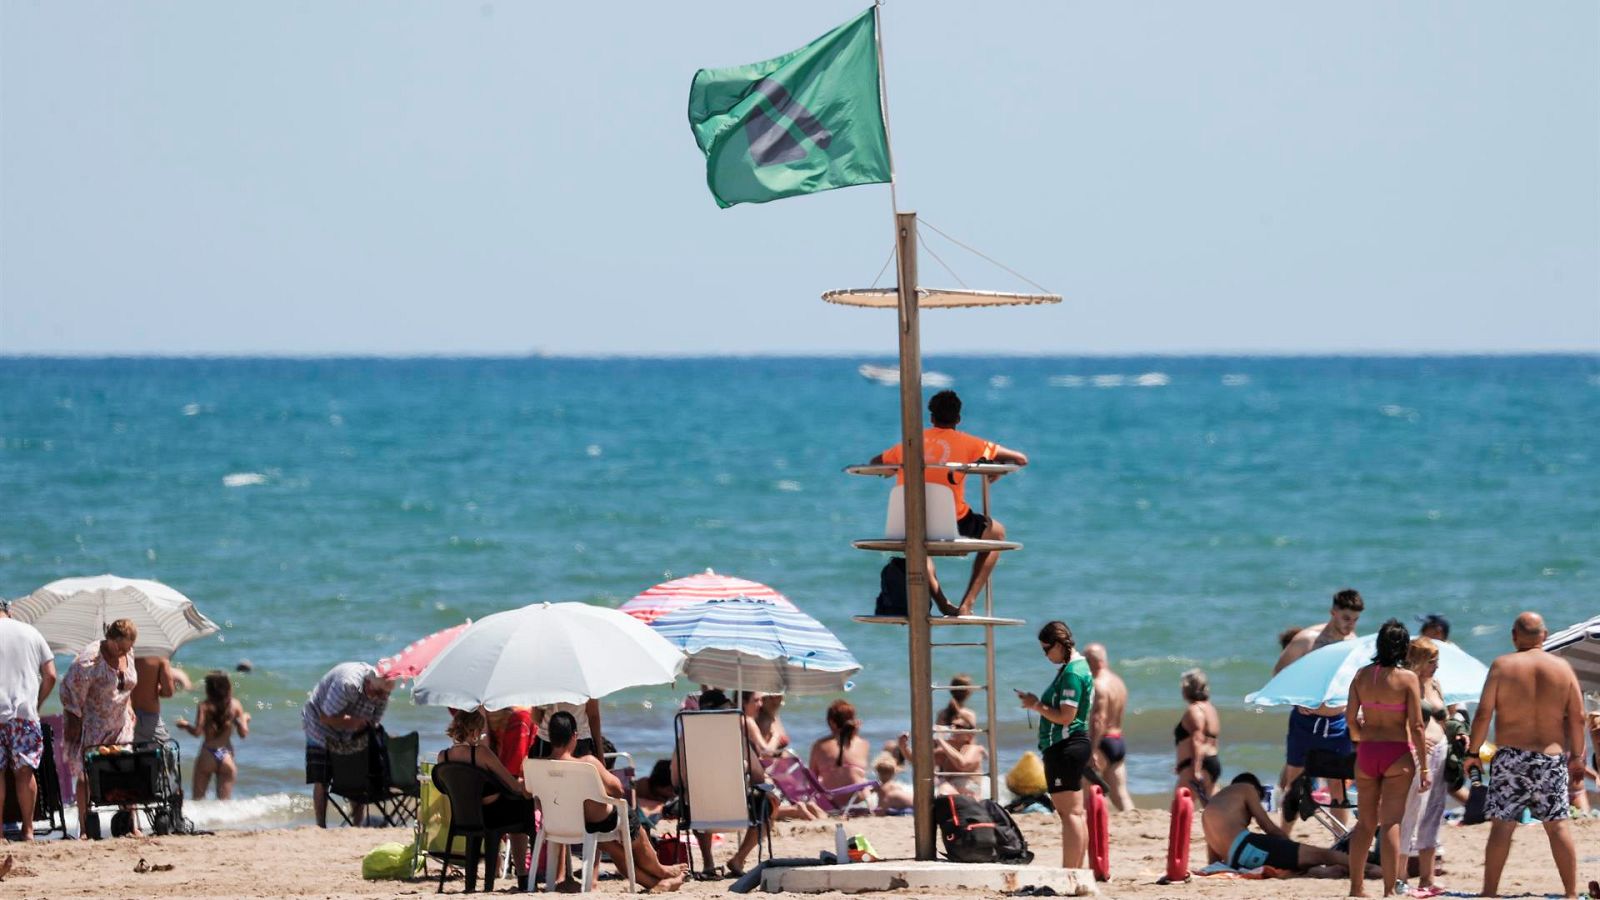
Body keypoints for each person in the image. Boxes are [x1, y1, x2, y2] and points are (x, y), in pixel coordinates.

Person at [868, 389, 1029, 616]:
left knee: (919, 547)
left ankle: (943, 604)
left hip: (909, 522)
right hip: (952, 522)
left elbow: (875, 462)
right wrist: (996, 467)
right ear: (958, 418)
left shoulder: (910, 443)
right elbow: (1020, 459)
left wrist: (895, 468)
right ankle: (967, 604)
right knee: (998, 534)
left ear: (931, 417)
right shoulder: (969, 442)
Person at [1466, 612, 1585, 900]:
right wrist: (1577, 758)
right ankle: (1571, 893)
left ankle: (1489, 892)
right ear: (1544, 636)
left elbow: (1483, 714)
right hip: (1550, 758)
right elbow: (1578, 717)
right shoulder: (1562, 668)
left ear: (1514, 636)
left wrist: (1473, 752)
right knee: (1558, 826)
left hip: (1511, 757)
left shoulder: (1502, 666)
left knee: (1502, 826)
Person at [543, 711, 686, 891]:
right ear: (574, 736)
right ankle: (660, 871)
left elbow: (531, 795)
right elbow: (617, 790)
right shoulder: (587, 763)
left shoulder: (538, 765)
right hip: (598, 822)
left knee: (613, 847)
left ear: (550, 737)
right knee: (635, 829)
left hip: (562, 824)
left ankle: (656, 883)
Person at [1344, 618, 1429, 898]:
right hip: (1396, 753)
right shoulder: (1408, 678)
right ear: (1404, 648)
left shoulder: (1361, 676)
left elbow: (1350, 720)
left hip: (1367, 753)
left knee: (1365, 824)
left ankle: (1356, 888)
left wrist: (1361, 737)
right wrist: (1425, 767)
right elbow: (1417, 726)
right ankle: (1389, 890)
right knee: (1391, 822)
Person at [1274, 588, 1364, 825]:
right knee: (1294, 783)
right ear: (1333, 613)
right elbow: (1279, 673)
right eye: (1346, 618)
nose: (1350, 625)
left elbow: (1356, 682)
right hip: (1306, 721)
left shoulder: (1353, 643)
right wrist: (1296, 699)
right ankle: (1284, 836)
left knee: (1338, 786)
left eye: (1355, 620)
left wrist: (1359, 710)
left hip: (1337, 722)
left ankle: (1340, 837)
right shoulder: (1307, 640)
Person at [1016, 620, 1094, 869]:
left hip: (1065, 745)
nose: (1046, 655)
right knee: (1075, 813)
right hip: (1071, 744)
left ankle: (1070, 871)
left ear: (1059, 645)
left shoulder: (1072, 672)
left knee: (1069, 814)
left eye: (1047, 649)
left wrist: (1036, 705)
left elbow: (1065, 717)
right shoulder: (1077, 667)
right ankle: (1076, 872)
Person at [672, 689, 773, 878]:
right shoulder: (735, 737)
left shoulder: (686, 739)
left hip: (698, 814)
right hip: (739, 811)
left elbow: (675, 779)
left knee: (693, 798)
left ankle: (708, 862)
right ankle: (739, 859)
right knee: (771, 802)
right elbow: (759, 776)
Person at [437, 707, 538, 886]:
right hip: (491, 817)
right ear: (475, 731)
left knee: (514, 805)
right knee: (523, 806)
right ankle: (523, 874)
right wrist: (527, 787)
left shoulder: (443, 756)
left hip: (463, 816)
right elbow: (512, 785)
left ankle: (472, 881)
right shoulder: (481, 753)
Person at [59, 618, 139, 837]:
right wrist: (74, 720)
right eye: (120, 647)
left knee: (126, 768)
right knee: (85, 775)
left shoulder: (128, 653)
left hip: (121, 722)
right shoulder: (90, 659)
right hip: (94, 724)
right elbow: (68, 690)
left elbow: (127, 685)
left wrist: (130, 707)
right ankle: (85, 828)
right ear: (110, 638)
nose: (123, 652)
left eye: (127, 648)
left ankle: (131, 824)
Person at [1202, 773, 1364, 873]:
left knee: (1295, 863)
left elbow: (1213, 861)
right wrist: (1290, 845)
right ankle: (1368, 868)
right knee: (1322, 854)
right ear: (1256, 790)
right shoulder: (1247, 788)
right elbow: (1268, 826)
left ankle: (1331, 872)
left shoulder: (1210, 809)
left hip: (1236, 860)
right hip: (1247, 846)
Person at [301, 661, 395, 828]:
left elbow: (373, 723)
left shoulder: (381, 693)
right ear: (368, 683)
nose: (381, 698)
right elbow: (325, 717)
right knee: (322, 779)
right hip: (319, 725)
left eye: (385, 695)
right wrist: (355, 722)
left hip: (349, 729)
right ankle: (321, 826)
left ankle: (357, 825)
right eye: (378, 693)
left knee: (357, 777)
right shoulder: (347, 684)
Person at [0, 599, 58, 841]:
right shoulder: (31, 632)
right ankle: (28, 830)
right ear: (9, 611)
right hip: (24, 714)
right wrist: (37, 704)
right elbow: (51, 675)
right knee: (24, 773)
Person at [1397, 637, 1449, 897]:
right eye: (1431, 661)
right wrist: (1410, 740)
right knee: (1411, 813)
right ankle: (1401, 876)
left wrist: (1458, 732)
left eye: (1436, 661)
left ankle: (1427, 877)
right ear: (1418, 661)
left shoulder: (1435, 683)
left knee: (1434, 811)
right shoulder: (1406, 683)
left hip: (1440, 749)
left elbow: (1444, 716)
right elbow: (1396, 719)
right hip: (1418, 754)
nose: (1436, 666)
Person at [174, 670, 250, 799]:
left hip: (208, 754)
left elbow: (197, 732)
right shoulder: (235, 705)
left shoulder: (204, 706)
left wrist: (185, 725)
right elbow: (243, 734)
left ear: (209, 689)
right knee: (224, 805)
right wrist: (244, 719)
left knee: (197, 801)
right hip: (226, 755)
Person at [1084, 644, 1133, 811]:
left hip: (1102, 743)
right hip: (1117, 741)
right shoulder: (1118, 682)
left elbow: (1099, 719)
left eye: (1086, 661)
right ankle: (1131, 821)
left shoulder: (1098, 685)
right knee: (1120, 795)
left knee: (1087, 790)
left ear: (1097, 662)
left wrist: (1091, 750)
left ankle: (1093, 825)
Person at [809, 699, 871, 803]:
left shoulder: (819, 746)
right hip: (860, 803)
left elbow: (812, 780)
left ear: (831, 723)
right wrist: (855, 733)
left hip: (831, 804)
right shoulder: (863, 744)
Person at [1174, 668, 1222, 805]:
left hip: (1196, 765)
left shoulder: (1194, 710)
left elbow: (1197, 740)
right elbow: (1213, 741)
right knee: (1214, 809)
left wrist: (1196, 769)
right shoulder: (1211, 709)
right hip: (1211, 762)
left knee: (1180, 809)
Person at [932, 703, 986, 797]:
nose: (952, 729)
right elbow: (918, 762)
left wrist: (940, 740)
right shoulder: (945, 751)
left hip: (970, 795)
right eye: (951, 725)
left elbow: (962, 764)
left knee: (945, 788)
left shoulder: (976, 749)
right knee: (942, 787)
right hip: (951, 793)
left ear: (969, 735)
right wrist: (905, 747)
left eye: (958, 726)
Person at [532, 698, 604, 760]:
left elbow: (537, 718)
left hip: (547, 737)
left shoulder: (544, 686)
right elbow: (593, 716)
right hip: (578, 738)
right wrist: (600, 753)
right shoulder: (586, 686)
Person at [130, 653, 176, 746]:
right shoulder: (159, 657)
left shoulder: (121, 656)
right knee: (164, 751)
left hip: (123, 717)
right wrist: (153, 690)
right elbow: (168, 691)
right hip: (148, 717)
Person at [754, 693, 790, 758]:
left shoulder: (773, 716)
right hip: (773, 763)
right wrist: (776, 736)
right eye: (773, 696)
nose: (781, 697)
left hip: (781, 762)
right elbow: (765, 755)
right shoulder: (765, 721)